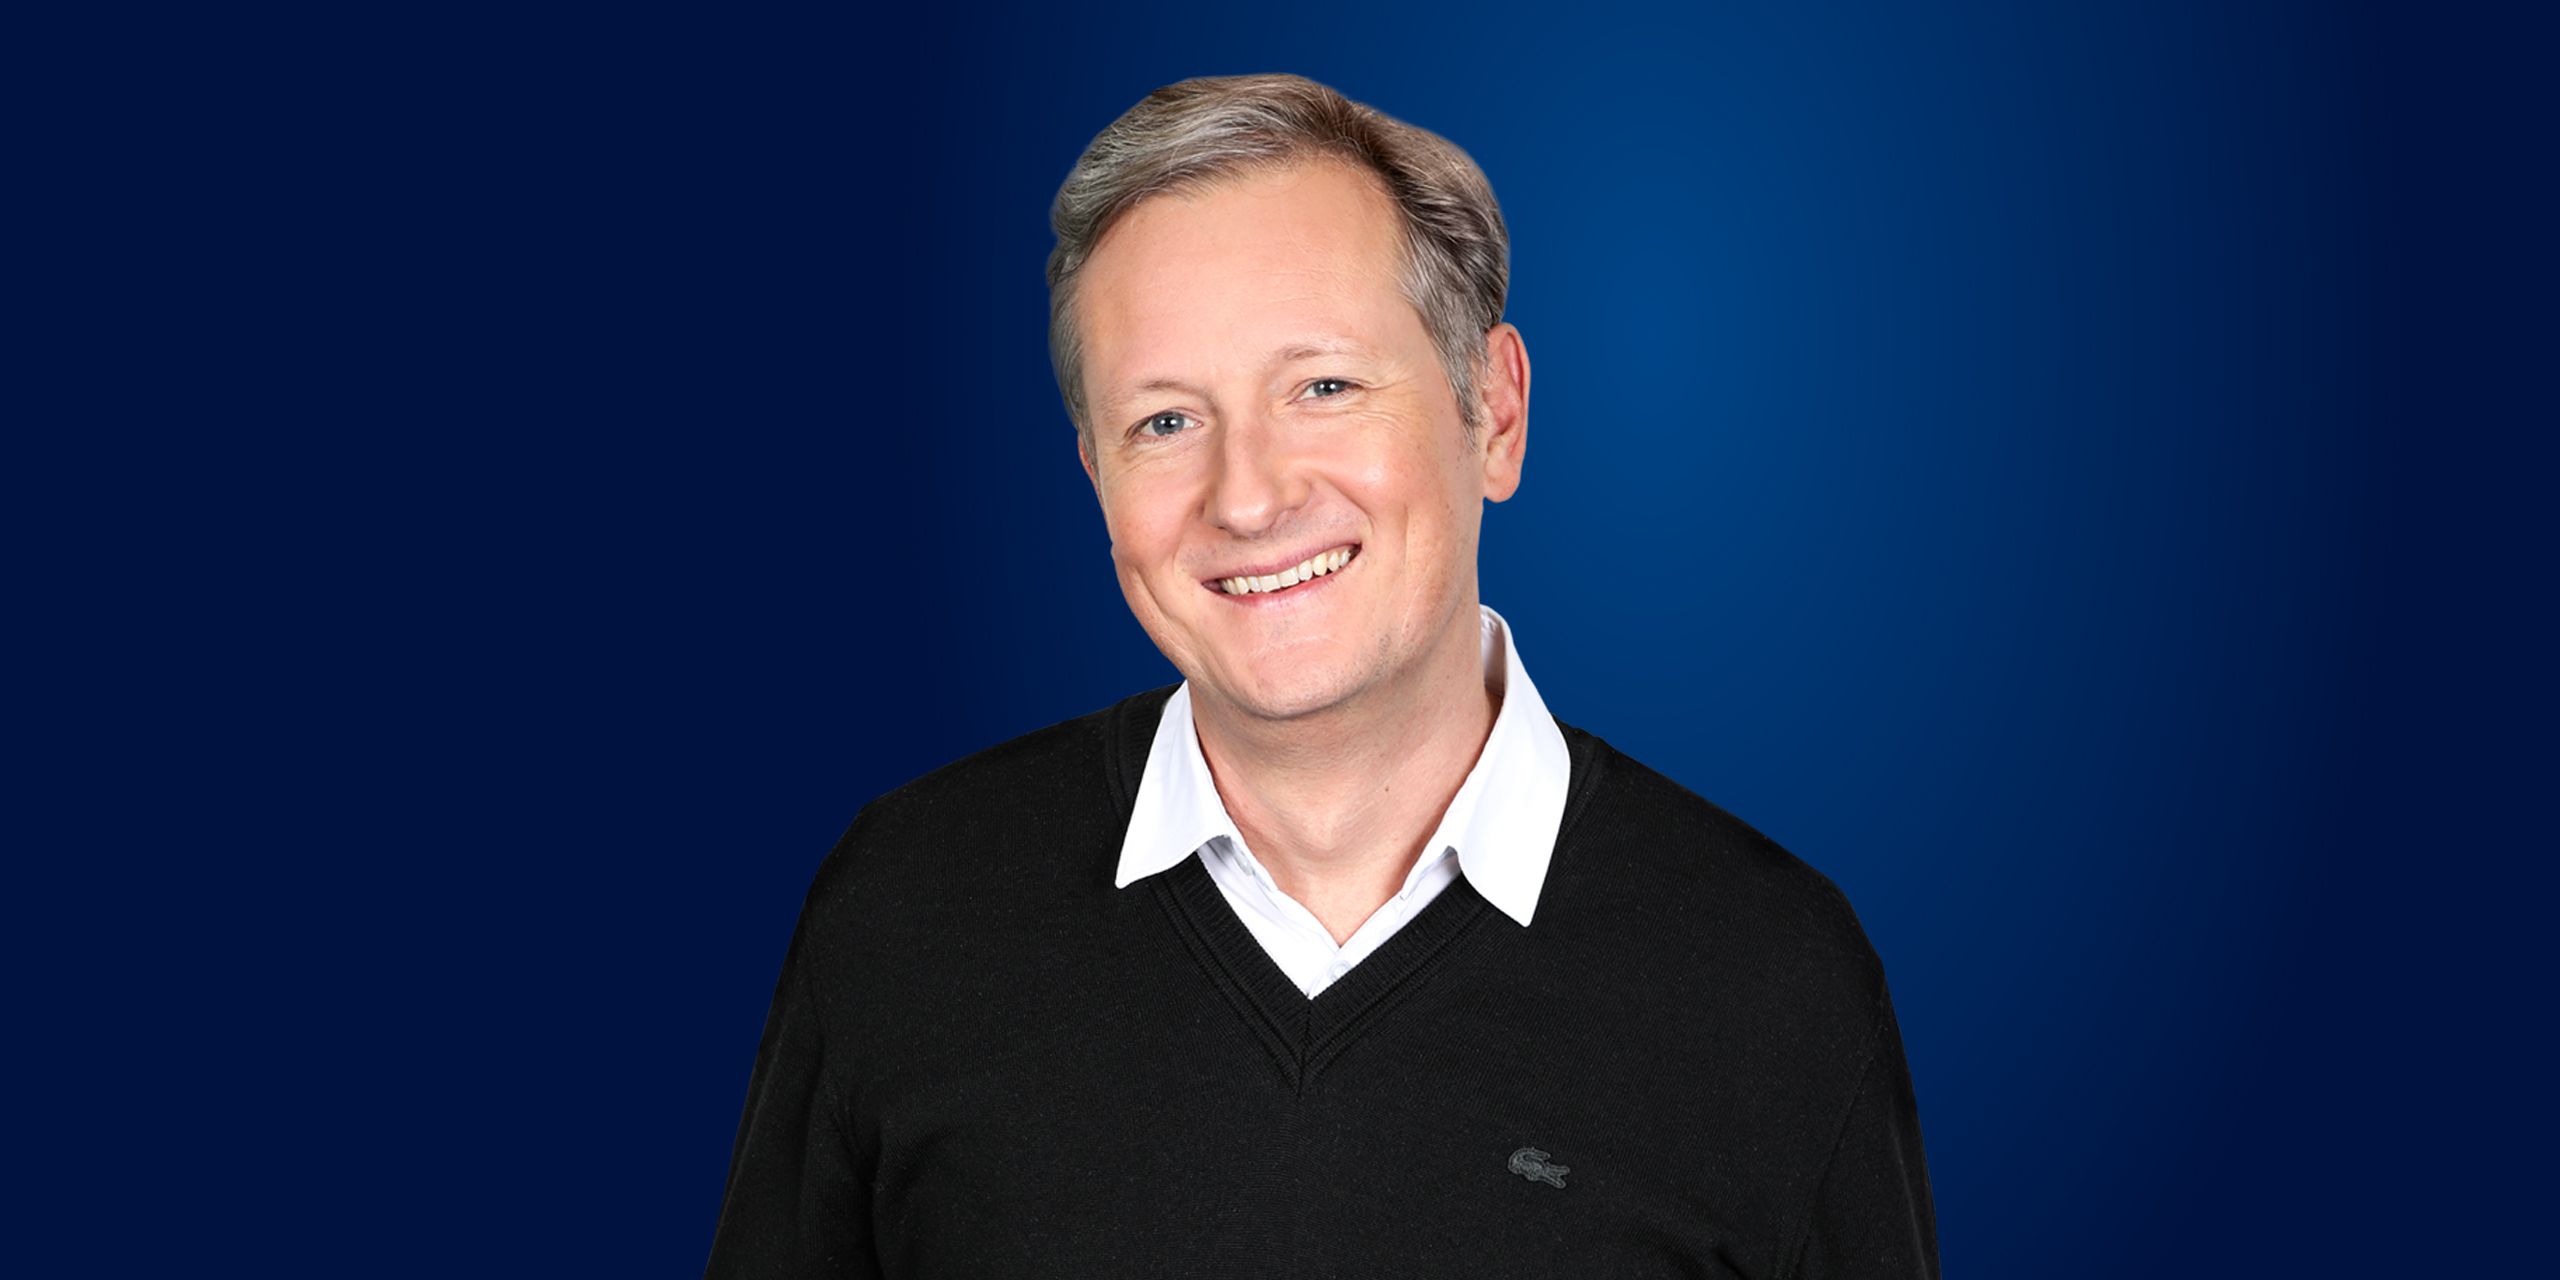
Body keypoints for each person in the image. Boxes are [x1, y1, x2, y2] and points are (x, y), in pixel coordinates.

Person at [707, 73, 1937, 1278]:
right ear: (1095, 475)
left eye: (1324, 387)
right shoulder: (905, 911)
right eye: (1165, 421)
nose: (1246, 497)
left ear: (1495, 414)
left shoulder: (1770, 979)